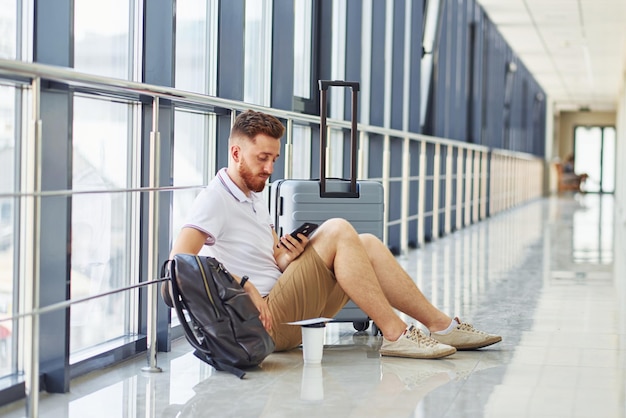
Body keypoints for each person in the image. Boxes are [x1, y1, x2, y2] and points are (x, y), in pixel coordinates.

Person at [169, 110, 501, 359]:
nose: (270, 169)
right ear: (236, 153)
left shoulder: (254, 196)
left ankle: (442, 326)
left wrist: (286, 255)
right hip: (263, 320)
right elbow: (177, 268)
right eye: (262, 158)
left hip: (285, 307)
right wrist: (244, 285)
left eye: (274, 158)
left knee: (366, 243)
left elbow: (273, 259)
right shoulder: (214, 198)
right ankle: (396, 335)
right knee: (340, 228)